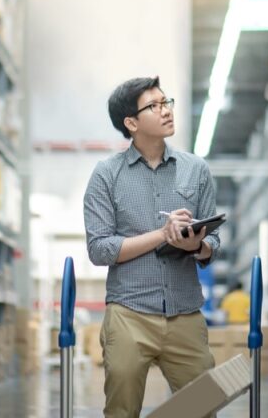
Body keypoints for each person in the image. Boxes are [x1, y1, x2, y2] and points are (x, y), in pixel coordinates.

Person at [84, 76, 221, 418]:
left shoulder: (196, 169)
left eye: (167, 102)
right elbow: (100, 249)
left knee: (203, 409)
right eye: (154, 106)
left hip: (185, 314)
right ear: (131, 123)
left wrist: (197, 244)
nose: (166, 111)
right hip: (129, 314)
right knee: (121, 411)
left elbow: (212, 245)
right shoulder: (106, 176)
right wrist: (162, 234)